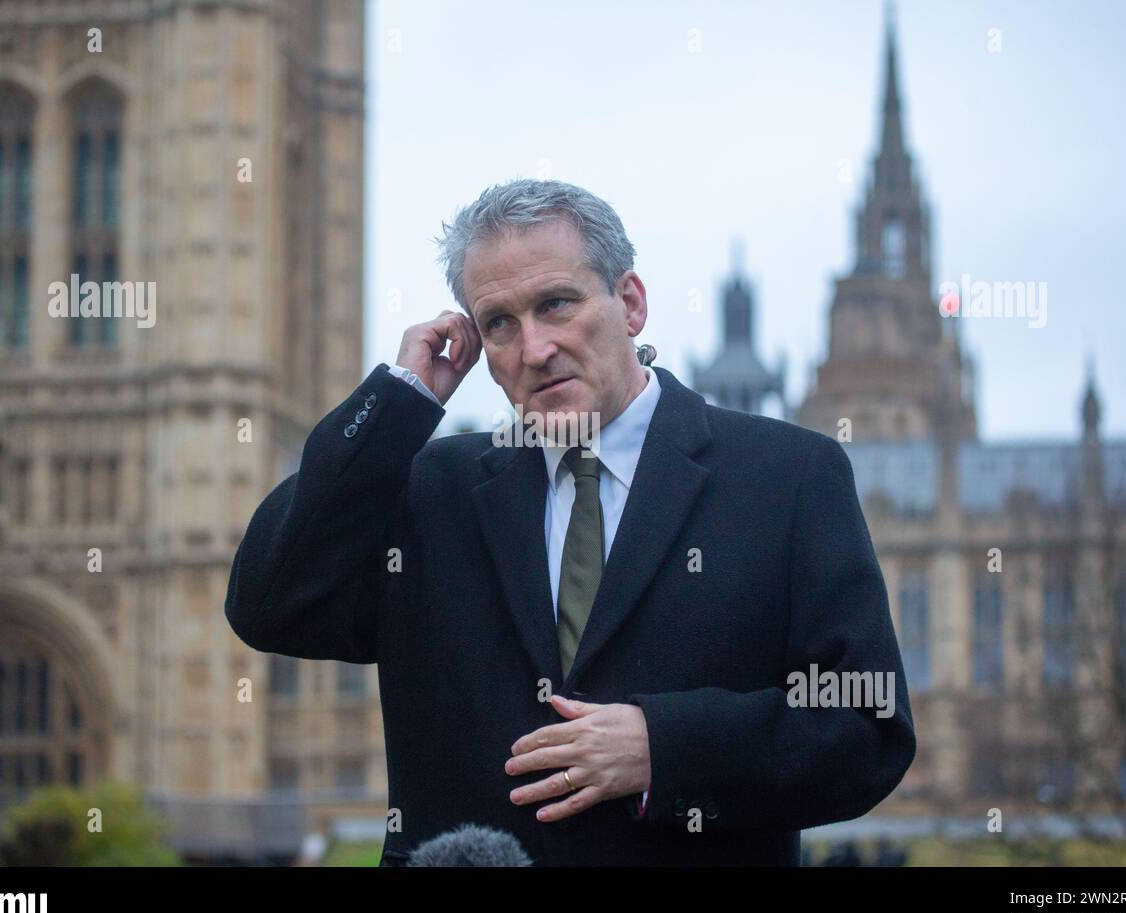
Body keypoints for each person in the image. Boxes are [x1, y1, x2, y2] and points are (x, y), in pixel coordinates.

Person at [225, 179, 916, 866]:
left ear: (631, 302)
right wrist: (396, 404)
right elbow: (268, 603)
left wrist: (663, 748)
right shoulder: (432, 490)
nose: (534, 349)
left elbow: (865, 731)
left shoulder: (787, 478)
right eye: (499, 324)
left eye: (556, 304)